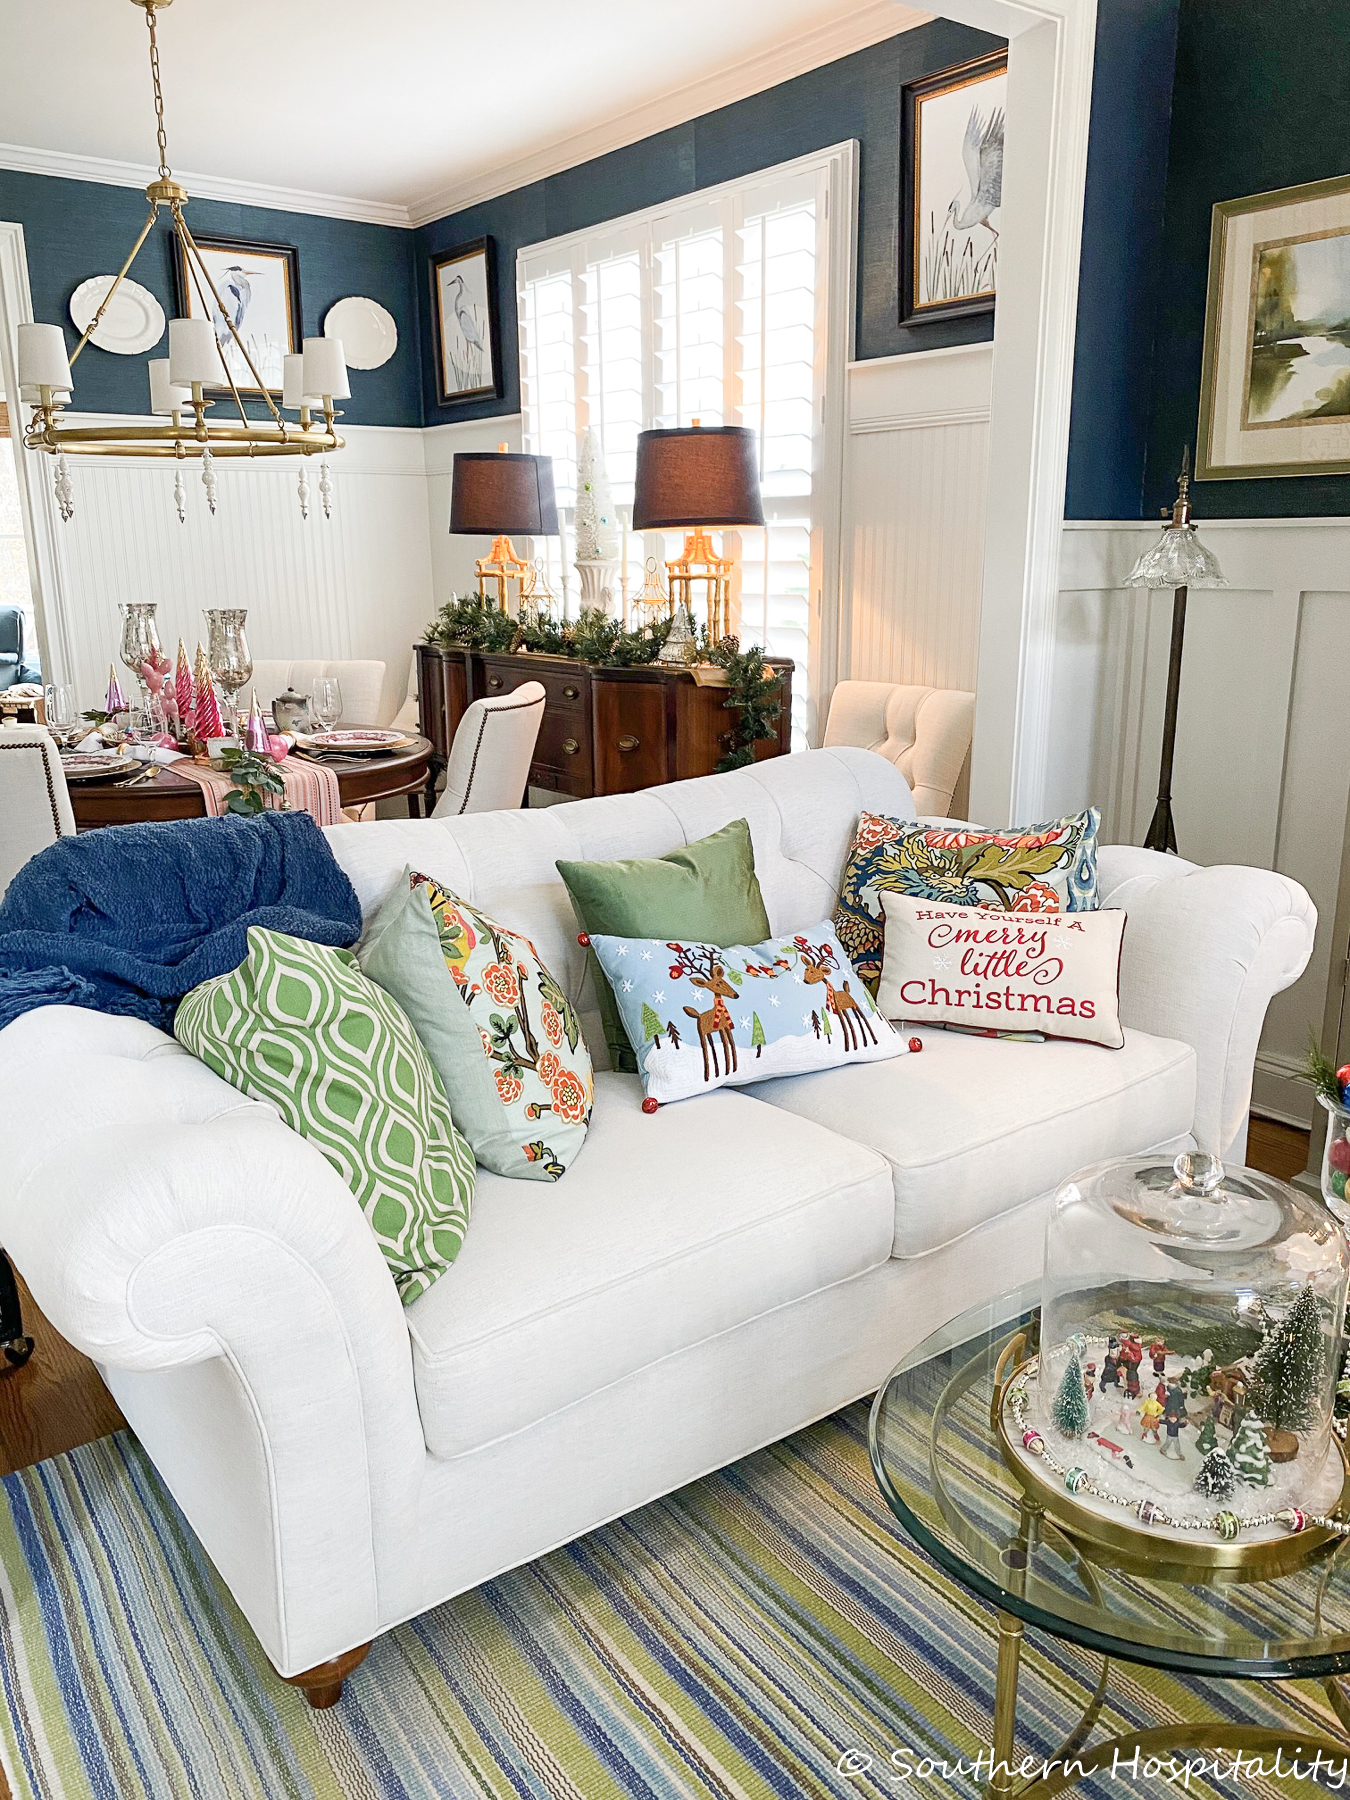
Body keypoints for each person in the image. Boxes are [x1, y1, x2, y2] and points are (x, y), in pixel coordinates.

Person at [1160, 1380, 1189, 1461]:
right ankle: (1163, 1449)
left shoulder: (1177, 1423)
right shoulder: (1169, 1422)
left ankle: (1179, 1453)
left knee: (1177, 1443)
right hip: (1170, 1435)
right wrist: (1158, 1420)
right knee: (1168, 1442)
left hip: (1175, 1435)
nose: (1173, 1420)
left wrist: (1185, 1423)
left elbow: (1181, 1425)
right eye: (1172, 1418)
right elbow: (1163, 1422)